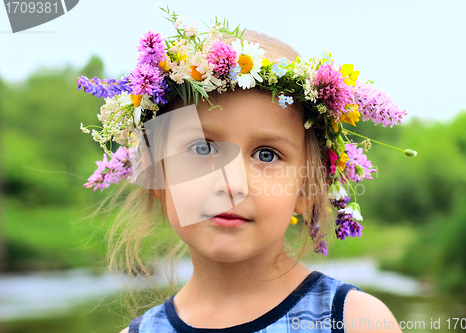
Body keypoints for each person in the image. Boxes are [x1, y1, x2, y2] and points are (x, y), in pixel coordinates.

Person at [78, 9, 410, 333]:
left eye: (267, 155)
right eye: (202, 148)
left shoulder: (353, 321)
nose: (231, 183)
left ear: (306, 188)